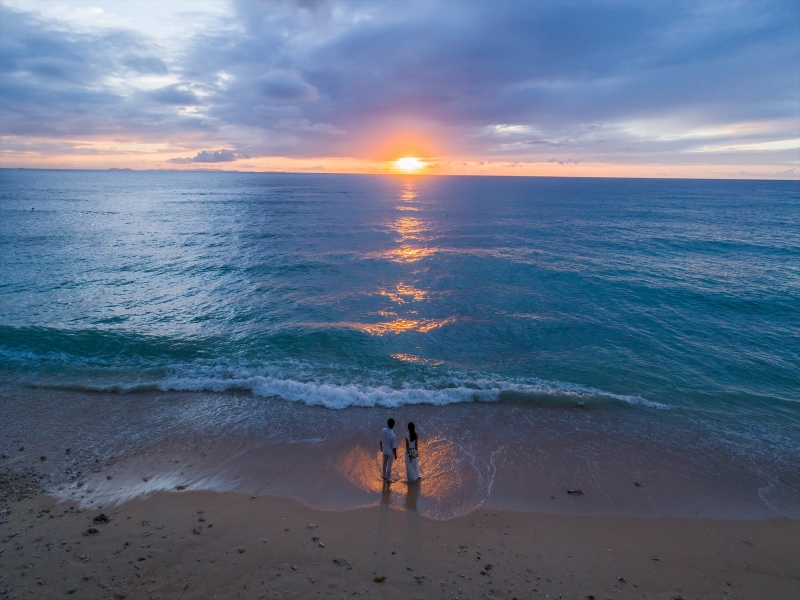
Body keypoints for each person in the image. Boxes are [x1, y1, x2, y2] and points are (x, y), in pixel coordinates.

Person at [379, 418, 398, 483]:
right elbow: (394, 446)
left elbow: (380, 439)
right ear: (393, 425)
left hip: (385, 450)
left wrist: (381, 447)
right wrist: (395, 454)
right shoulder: (393, 435)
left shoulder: (383, 430)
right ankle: (388, 479)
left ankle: (384, 476)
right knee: (389, 466)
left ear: (387, 423)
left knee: (384, 464)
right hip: (390, 452)